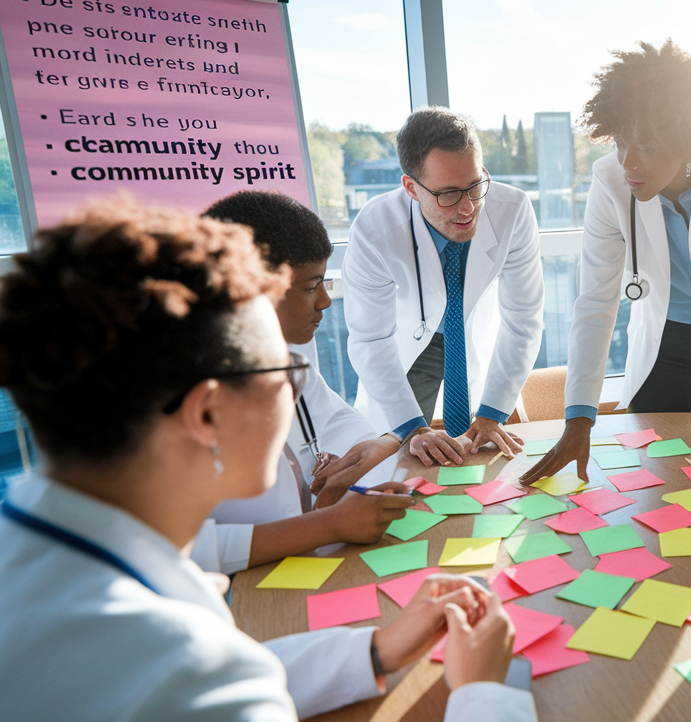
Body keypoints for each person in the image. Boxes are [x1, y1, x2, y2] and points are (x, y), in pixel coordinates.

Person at [0, 199, 534, 721]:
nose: (293, 385)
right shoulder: (170, 660)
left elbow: (221, 673)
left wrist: (372, 650)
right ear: (207, 413)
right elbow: (204, 680)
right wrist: (485, 695)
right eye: (281, 372)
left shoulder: (45, 563)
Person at [521, 40, 691, 485]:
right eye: (622, 142)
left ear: (688, 142)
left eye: (646, 145)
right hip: (665, 336)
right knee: (653, 469)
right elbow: (595, 303)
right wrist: (579, 418)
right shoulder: (610, 182)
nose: (628, 161)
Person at [187, 190, 409, 575]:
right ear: (253, 290)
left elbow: (343, 425)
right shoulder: (180, 394)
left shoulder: (287, 361)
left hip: (305, 570)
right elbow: (188, 547)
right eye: (311, 286)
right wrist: (328, 525)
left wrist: (382, 443)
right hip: (241, 593)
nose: (325, 301)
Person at [344, 108, 544, 466]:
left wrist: (493, 411)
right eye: (448, 194)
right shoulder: (375, 229)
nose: (468, 207)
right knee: (405, 459)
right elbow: (370, 339)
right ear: (411, 188)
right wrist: (412, 429)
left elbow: (523, 320)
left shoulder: (512, 210)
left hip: (470, 333)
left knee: (491, 457)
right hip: (407, 343)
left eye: (476, 185)